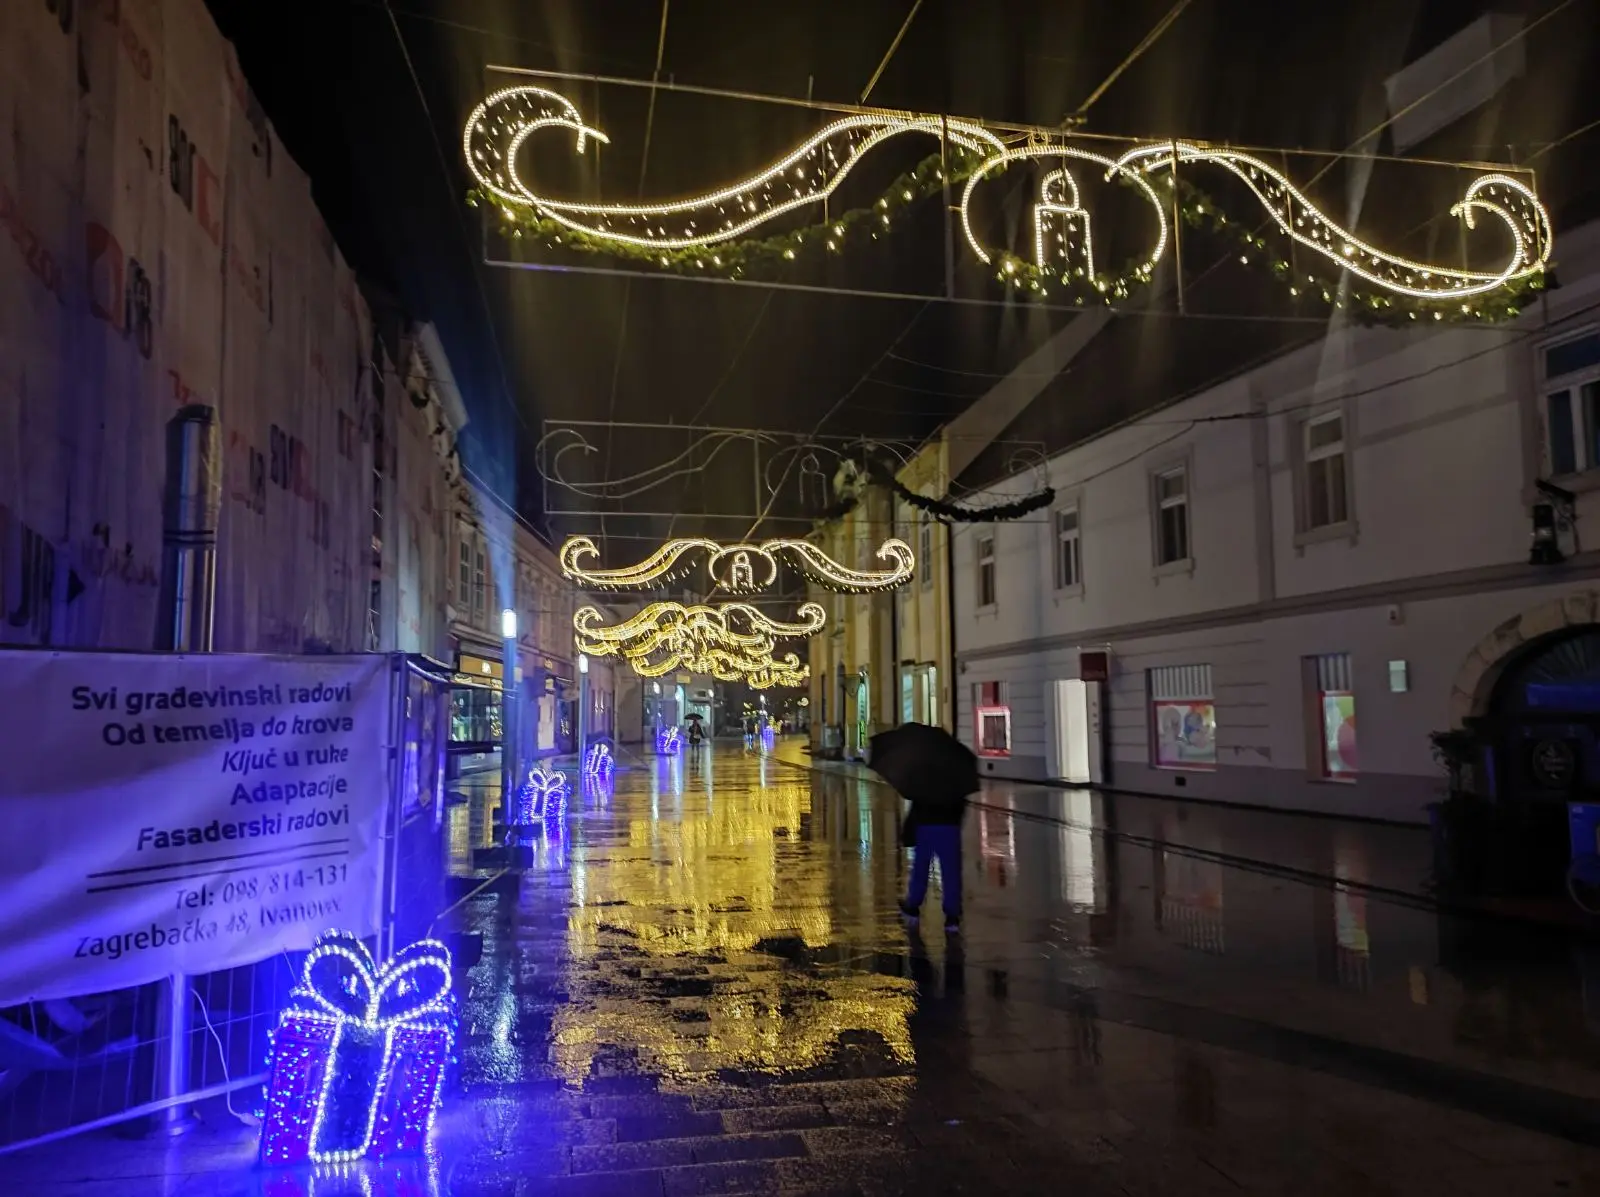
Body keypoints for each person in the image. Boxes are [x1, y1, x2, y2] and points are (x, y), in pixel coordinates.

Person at [898, 788, 966, 934]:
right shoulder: (955, 777)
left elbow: (916, 802)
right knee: (951, 872)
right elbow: (961, 804)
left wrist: (909, 828)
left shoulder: (925, 776)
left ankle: (913, 906)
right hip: (949, 826)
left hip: (926, 824)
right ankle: (952, 917)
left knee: (921, 868)